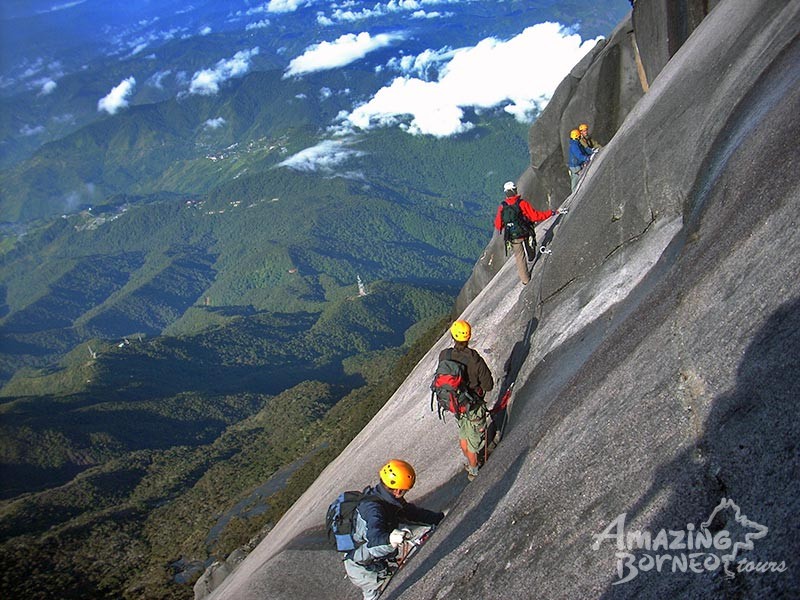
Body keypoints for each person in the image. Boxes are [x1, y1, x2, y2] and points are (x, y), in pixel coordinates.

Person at [343, 459, 444, 600]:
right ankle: (380, 572)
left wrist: (438, 518)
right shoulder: (373, 509)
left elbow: (410, 512)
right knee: (373, 586)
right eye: (405, 491)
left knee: (402, 530)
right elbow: (374, 544)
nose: (405, 493)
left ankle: (384, 566)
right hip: (358, 562)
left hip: (366, 549)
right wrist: (391, 540)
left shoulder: (386, 497)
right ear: (398, 490)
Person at [439, 320, 494, 480]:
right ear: (469, 337)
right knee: (473, 444)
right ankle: (474, 471)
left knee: (464, 437)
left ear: (453, 336)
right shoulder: (474, 359)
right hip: (473, 407)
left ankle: (471, 462)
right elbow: (488, 385)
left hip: (456, 405)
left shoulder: (444, 354)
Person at [494, 181, 556, 285]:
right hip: (525, 232)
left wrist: (509, 225)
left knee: (519, 257)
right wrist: (551, 213)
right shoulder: (522, 203)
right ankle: (531, 256)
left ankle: (525, 280)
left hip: (513, 236)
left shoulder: (502, 207)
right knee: (530, 243)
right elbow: (535, 216)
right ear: (515, 191)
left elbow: (498, 224)